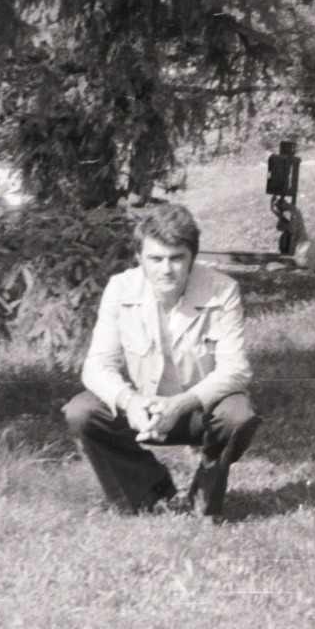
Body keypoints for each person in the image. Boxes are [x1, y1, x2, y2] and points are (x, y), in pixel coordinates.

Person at [63, 203, 261, 517]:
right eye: (155, 259)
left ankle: (203, 499)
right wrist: (130, 402)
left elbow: (236, 370)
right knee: (82, 411)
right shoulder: (120, 288)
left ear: (192, 258)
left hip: (197, 409)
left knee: (238, 415)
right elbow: (97, 365)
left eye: (176, 258)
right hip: (142, 411)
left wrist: (180, 404)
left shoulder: (222, 290)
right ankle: (150, 493)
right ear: (139, 258)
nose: (166, 269)